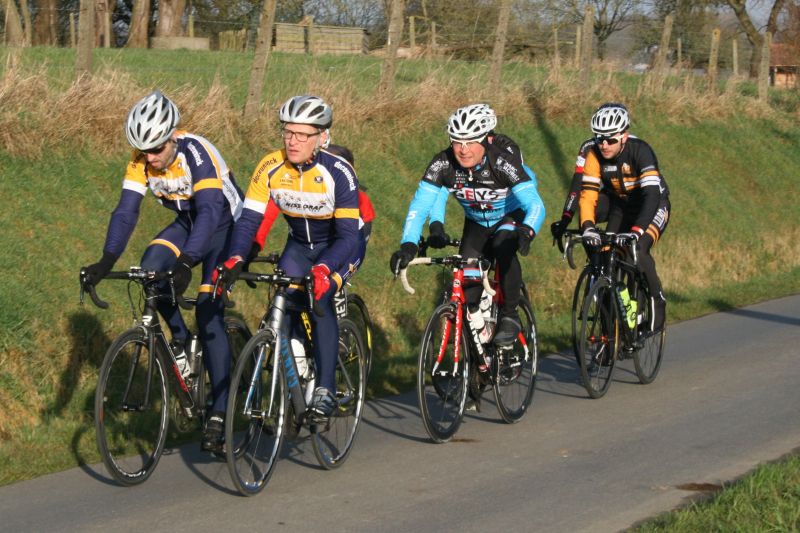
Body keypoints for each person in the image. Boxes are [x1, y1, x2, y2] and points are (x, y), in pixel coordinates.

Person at [80, 90, 244, 453]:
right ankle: (182, 341)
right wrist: (106, 261)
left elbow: (210, 213)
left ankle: (220, 410)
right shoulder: (140, 159)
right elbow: (126, 212)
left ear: (172, 135)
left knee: (207, 308)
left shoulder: (197, 154)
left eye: (156, 149)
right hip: (188, 221)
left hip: (224, 226)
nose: (150, 158)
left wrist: (187, 263)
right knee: (151, 270)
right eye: (144, 151)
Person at [215, 95, 361, 419]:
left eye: (302, 134)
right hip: (299, 244)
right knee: (281, 300)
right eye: (287, 132)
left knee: (320, 301)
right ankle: (294, 367)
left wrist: (324, 269)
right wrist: (235, 258)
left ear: (322, 137)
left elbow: (350, 236)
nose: (293, 141)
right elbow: (250, 220)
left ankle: (324, 388)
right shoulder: (270, 166)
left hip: (338, 246)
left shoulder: (339, 172)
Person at [390, 103, 545, 348]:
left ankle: (510, 315)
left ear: (484, 140)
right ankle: (477, 354)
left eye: (471, 141)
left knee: (503, 246)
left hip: (509, 215)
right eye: (456, 141)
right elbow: (421, 205)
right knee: (468, 291)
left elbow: (535, 205)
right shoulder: (443, 163)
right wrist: (408, 244)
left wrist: (527, 230)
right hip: (476, 222)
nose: (463, 150)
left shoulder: (502, 162)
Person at [579, 104, 671, 331]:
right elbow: (588, 195)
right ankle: (613, 310)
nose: (604, 145)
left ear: (624, 137)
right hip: (622, 205)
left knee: (637, 250)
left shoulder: (641, 151)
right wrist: (588, 226)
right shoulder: (594, 154)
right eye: (600, 139)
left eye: (610, 140)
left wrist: (637, 230)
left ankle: (656, 300)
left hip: (653, 205)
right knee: (606, 251)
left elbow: (651, 195)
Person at [247, 144, 375, 283]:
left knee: (329, 281)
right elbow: (269, 212)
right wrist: (254, 244)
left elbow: (349, 241)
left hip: (355, 228)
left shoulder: (356, 195)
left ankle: (336, 297)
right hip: (306, 243)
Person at [550, 103, 633, 243]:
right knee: (585, 215)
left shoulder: (632, 147)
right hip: (608, 197)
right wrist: (566, 218)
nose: (605, 143)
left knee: (616, 243)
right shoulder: (588, 148)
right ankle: (595, 260)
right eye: (600, 136)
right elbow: (577, 185)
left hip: (630, 200)